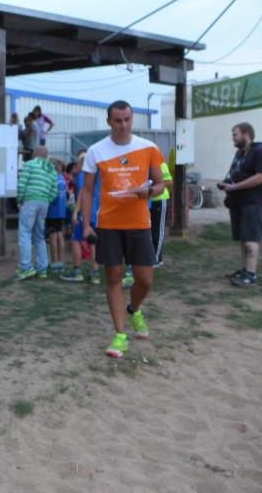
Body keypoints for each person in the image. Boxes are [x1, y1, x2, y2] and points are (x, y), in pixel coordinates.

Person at [79, 100, 166, 358]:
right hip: (108, 224)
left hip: (139, 223)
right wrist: (86, 224)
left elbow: (161, 184)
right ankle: (120, 335)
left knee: (145, 280)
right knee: (113, 276)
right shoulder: (96, 151)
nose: (123, 125)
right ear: (109, 122)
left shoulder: (148, 147)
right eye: (118, 120)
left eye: (127, 119)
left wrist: (148, 191)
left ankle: (133, 310)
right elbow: (86, 190)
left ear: (132, 119)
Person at [218, 122, 262, 287]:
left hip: (252, 203)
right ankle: (245, 270)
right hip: (238, 202)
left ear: (246, 134)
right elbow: (237, 173)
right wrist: (227, 184)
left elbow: (260, 177)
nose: (233, 138)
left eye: (235, 135)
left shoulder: (258, 151)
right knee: (243, 238)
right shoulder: (240, 153)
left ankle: (251, 275)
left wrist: (235, 186)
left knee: (250, 239)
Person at [14, 147, 57, 280]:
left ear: (34, 154)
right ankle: (42, 268)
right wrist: (46, 200)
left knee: (25, 234)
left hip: (30, 201)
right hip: (44, 203)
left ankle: (26, 267)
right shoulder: (51, 168)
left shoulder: (30, 164)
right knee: (39, 236)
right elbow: (54, 190)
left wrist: (19, 201)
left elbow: (21, 184)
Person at [61, 153, 101, 284]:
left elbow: (83, 193)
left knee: (76, 241)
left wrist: (76, 211)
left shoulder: (83, 175)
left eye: (77, 163)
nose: (76, 166)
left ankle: (77, 272)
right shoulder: (98, 175)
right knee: (93, 243)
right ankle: (95, 274)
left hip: (85, 213)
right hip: (97, 213)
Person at [149, 160, 173, 268]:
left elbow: (169, 182)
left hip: (159, 199)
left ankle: (157, 259)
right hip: (147, 201)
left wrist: (155, 186)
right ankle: (150, 257)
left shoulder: (159, 162)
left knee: (157, 231)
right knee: (148, 231)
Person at [46, 159, 68, 273]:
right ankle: (61, 262)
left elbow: (51, 196)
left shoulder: (52, 180)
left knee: (53, 236)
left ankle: (54, 263)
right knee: (60, 235)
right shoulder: (63, 179)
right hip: (61, 212)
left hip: (52, 212)